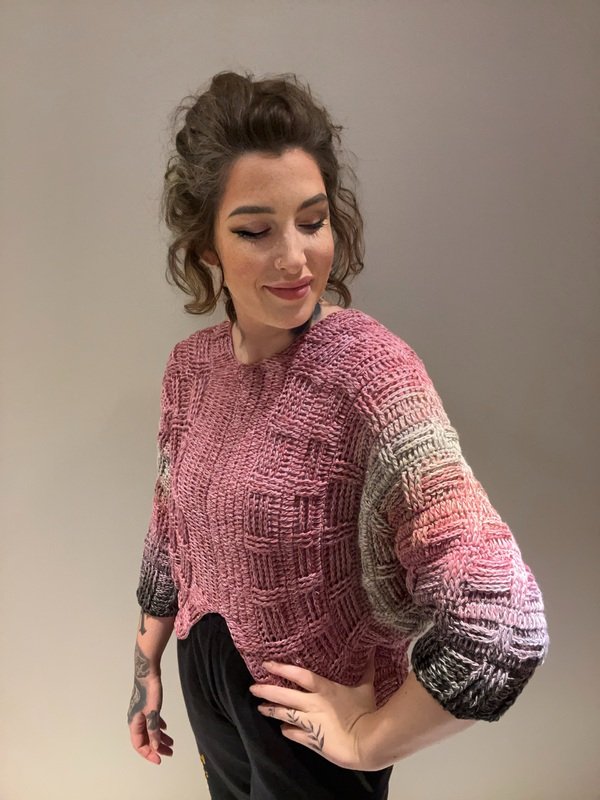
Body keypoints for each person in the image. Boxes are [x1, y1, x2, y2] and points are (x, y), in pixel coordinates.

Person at [127, 70, 549, 800]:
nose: (295, 258)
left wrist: (368, 739)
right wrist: (145, 671)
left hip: (306, 733)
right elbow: (171, 525)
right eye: (255, 230)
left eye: (313, 221)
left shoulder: (369, 374)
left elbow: (502, 622)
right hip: (209, 690)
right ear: (206, 248)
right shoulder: (191, 369)